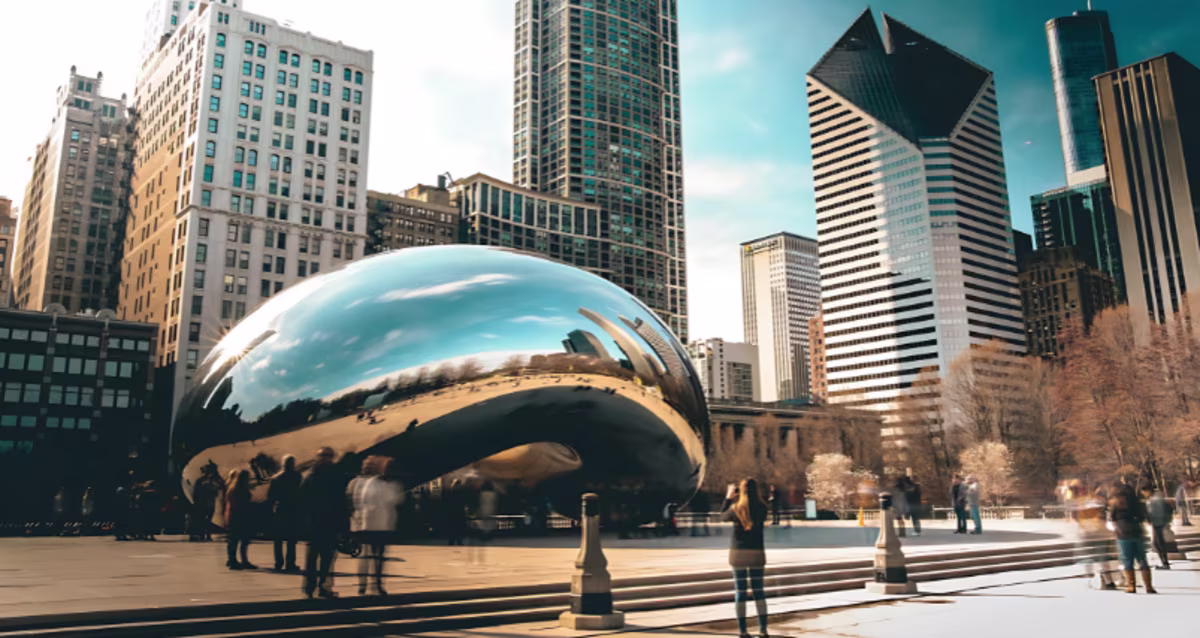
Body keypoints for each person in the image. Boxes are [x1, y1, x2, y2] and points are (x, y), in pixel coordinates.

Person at [348, 456, 404, 596]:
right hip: (369, 524)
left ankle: (377, 584)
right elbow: (360, 502)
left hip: (383, 524)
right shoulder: (369, 483)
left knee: (378, 556)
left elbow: (396, 501)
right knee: (367, 555)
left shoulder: (392, 485)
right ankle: (363, 584)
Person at [721, 479, 769, 638]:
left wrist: (728, 497)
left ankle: (743, 631)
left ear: (740, 491)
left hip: (738, 554)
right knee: (759, 592)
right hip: (756, 553)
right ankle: (762, 629)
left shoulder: (735, 509)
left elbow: (722, 516)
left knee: (740, 592)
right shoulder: (762, 508)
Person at [301, 447, 346, 598]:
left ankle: (312, 587)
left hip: (318, 523)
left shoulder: (310, 476)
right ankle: (319, 587)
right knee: (323, 558)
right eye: (325, 456)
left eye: (328, 456)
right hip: (325, 523)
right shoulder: (335, 476)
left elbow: (301, 501)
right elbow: (341, 503)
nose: (326, 459)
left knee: (316, 558)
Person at [1110, 481, 1155, 594]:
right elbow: (1145, 518)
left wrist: (1116, 531)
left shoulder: (1116, 505)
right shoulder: (1138, 504)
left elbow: (1112, 520)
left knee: (1127, 560)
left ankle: (1131, 586)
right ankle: (1148, 586)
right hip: (1137, 533)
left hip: (1123, 535)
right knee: (1142, 559)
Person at [269, 455, 302, 572]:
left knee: (278, 539)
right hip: (293, 510)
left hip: (279, 510)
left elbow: (271, 497)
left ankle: (278, 563)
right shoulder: (297, 477)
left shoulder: (276, 478)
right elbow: (301, 494)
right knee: (291, 539)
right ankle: (290, 563)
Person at [224, 469, 256, 570]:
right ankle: (240, 561)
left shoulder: (233, 488)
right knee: (241, 540)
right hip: (240, 516)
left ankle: (233, 560)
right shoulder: (239, 490)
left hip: (234, 516)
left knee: (235, 540)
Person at [1145, 488, 1174, 570]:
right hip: (1159, 522)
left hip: (1157, 523)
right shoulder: (1158, 498)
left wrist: (1149, 519)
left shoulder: (1154, 500)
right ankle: (1164, 562)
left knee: (1158, 543)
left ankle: (1165, 563)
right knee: (1157, 543)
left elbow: (1152, 512)